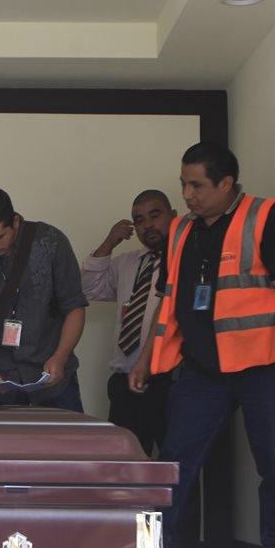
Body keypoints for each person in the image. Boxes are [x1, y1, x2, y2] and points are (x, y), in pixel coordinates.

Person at [130, 142, 275, 548]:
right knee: (174, 462)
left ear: (226, 183)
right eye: (184, 184)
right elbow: (168, 298)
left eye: (197, 185)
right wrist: (145, 361)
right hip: (203, 368)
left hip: (266, 364)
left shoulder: (266, 218)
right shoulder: (181, 231)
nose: (188, 194)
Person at [0, 186, 87, 411]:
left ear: (15, 222)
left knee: (67, 445)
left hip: (53, 376)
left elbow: (74, 307)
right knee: (2, 447)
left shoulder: (51, 242)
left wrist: (60, 356)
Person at [81, 189, 177, 452]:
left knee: (178, 465)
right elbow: (87, 289)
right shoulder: (128, 263)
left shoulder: (186, 261)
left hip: (169, 382)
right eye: (140, 220)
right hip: (125, 383)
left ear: (173, 216)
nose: (148, 225)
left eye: (155, 216)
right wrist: (108, 243)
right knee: (125, 468)